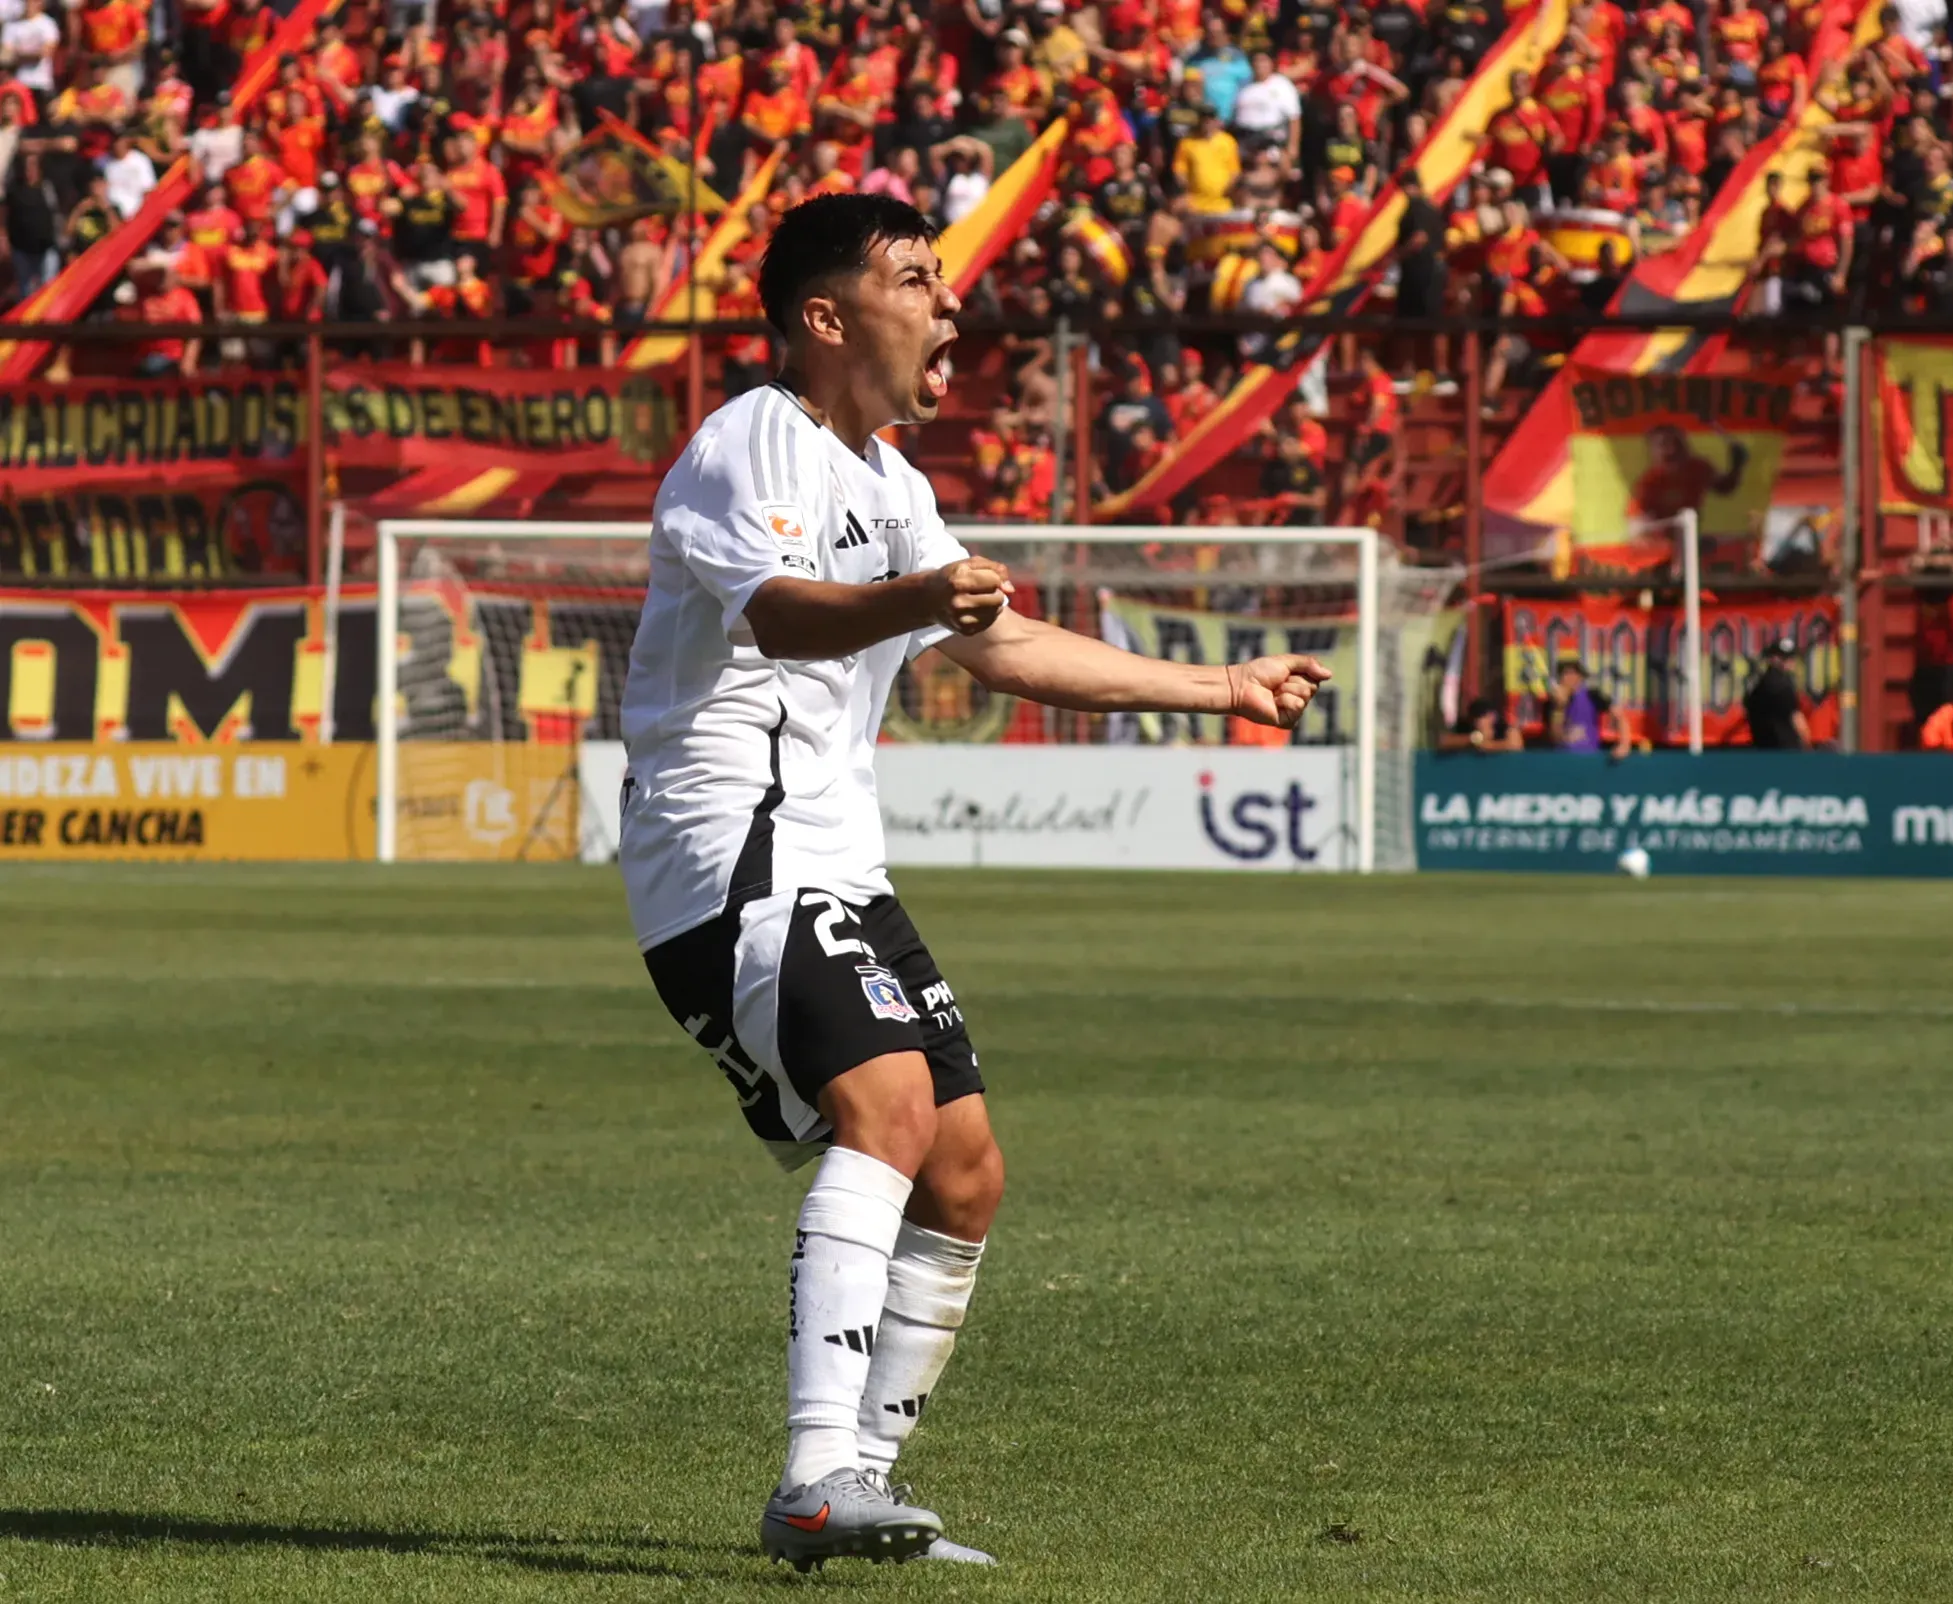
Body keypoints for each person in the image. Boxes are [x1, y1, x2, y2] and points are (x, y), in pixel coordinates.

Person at [618, 193, 1330, 1573]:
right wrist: (914, 601)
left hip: (836, 860)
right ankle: (815, 1471)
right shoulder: (751, 438)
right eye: (914, 280)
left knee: (965, 1171)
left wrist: (1218, 687)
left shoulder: (887, 480)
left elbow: (999, 649)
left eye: (944, 281)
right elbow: (778, 611)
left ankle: (865, 1490)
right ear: (824, 318)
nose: (949, 305)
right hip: (729, 853)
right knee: (881, 1108)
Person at [1547, 660, 1634, 759]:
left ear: (1580, 677)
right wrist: (1559, 708)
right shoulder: (1552, 702)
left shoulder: (1592, 695)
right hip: (1562, 759)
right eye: (1565, 674)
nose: (1570, 678)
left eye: (1574, 674)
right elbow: (1555, 738)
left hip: (1589, 757)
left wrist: (1624, 745)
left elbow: (1620, 717)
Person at [1741, 636, 1811, 750]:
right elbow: (1797, 720)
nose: (1790, 661)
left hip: (1764, 748)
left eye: (1791, 657)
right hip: (1786, 751)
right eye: (1784, 657)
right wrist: (1808, 747)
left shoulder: (1759, 684)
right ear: (1772, 658)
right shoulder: (1781, 685)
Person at [1439, 697, 1524, 752]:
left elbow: (1516, 745)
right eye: (1475, 717)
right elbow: (1443, 741)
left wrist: (1490, 746)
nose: (1478, 721)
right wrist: (1473, 739)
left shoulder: (1502, 727)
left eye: (1482, 716)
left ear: (1492, 716)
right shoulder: (1466, 726)